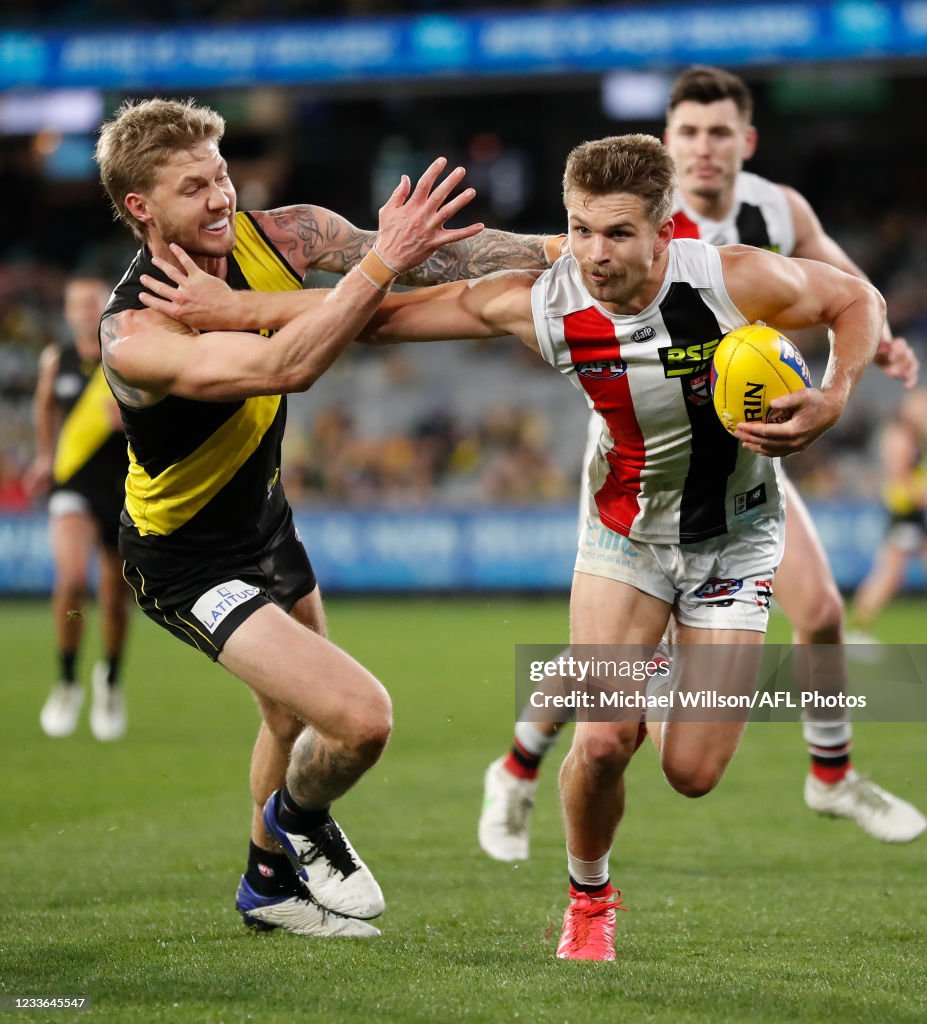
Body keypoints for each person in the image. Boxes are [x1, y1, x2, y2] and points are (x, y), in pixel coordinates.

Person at [354, 132, 886, 960]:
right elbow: (378, 323)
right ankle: (589, 902)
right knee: (604, 739)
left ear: (663, 227)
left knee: (692, 774)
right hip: (625, 534)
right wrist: (229, 313)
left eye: (615, 233)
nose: (593, 254)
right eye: (579, 230)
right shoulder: (548, 298)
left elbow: (856, 299)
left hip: (734, 542)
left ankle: (645, 674)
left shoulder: (729, 276)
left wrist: (832, 394)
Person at [94, 97, 559, 941]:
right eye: (194, 186)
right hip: (185, 560)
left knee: (287, 716)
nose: (221, 197)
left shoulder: (284, 236)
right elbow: (286, 364)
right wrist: (382, 264)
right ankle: (303, 826)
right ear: (141, 208)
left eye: (224, 174)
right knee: (358, 720)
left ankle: (267, 884)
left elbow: (443, 260)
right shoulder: (135, 332)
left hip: (265, 523)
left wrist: (587, 250)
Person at [478, 65, 925, 860]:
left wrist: (869, 346)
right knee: (607, 676)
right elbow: (547, 258)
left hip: (745, 448)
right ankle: (517, 765)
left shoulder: (776, 210)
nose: (703, 148)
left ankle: (830, 774)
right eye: (686, 133)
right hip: (641, 455)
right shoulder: (632, 219)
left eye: (718, 133)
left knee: (819, 611)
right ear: (666, 144)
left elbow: (840, 280)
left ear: (744, 142)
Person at [24, 275, 131, 742]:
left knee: (114, 596)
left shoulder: (130, 354)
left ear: (108, 305)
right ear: (67, 313)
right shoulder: (57, 359)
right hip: (74, 485)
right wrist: (47, 455)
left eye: (94, 302)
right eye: (77, 304)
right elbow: (44, 404)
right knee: (72, 582)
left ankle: (108, 679)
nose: (86, 311)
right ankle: (67, 680)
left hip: (127, 487)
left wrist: (130, 418)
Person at [851, 388, 927, 634]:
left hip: (910, 513)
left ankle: (856, 629)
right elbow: (902, 482)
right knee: (889, 575)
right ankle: (856, 630)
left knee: (890, 574)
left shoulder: (913, 437)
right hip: (906, 513)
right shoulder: (900, 438)